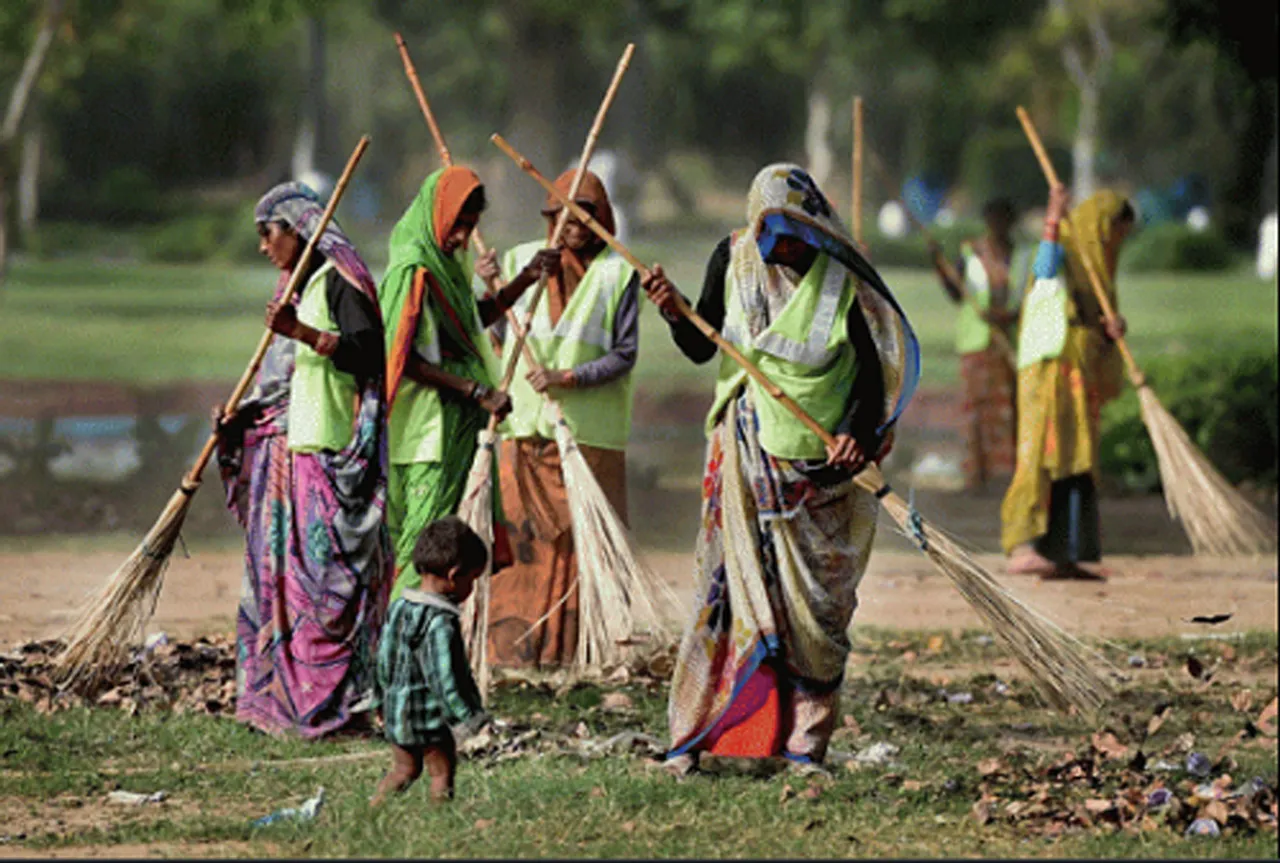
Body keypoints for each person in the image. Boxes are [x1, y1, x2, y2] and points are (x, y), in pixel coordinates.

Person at [642, 164, 921, 771]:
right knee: (721, 591)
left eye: (795, 234)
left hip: (820, 473)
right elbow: (701, 344)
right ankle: (694, 738)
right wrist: (673, 310)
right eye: (773, 233)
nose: (784, 248)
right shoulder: (734, 258)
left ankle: (805, 747)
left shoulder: (843, 278)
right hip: (743, 458)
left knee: (817, 607)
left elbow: (872, 375)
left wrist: (854, 435)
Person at [215, 181, 389, 739]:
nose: (264, 247)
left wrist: (307, 334)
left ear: (297, 229)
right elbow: (281, 387)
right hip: (287, 455)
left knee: (325, 590)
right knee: (281, 585)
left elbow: (370, 354)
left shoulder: (339, 283)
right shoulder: (293, 286)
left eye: (268, 234)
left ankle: (333, 707)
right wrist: (240, 416)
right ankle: (281, 702)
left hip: (329, 456)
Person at [479, 169, 640, 668]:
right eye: (564, 213)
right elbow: (494, 334)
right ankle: (516, 652)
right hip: (525, 430)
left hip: (589, 436)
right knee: (522, 543)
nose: (574, 224)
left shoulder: (620, 272)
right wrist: (494, 286)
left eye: (586, 214)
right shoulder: (516, 261)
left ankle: (579, 652)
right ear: (550, 215)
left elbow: (624, 354)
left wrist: (567, 377)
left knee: (581, 549)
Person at [379, 165, 557, 604]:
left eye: (471, 226)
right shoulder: (414, 271)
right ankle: (400, 641)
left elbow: (472, 323)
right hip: (427, 433)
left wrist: (525, 278)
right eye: (457, 225)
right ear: (435, 215)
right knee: (424, 546)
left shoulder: (449, 265)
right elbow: (406, 359)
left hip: (457, 428)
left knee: (445, 542)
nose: (463, 237)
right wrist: (475, 391)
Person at [1001, 185, 1135, 580]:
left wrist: (1110, 329)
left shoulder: (1097, 267)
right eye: (1113, 234)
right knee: (1040, 452)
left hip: (1079, 372)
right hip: (1048, 367)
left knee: (1076, 458)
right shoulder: (1063, 248)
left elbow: (1095, 315)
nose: (1115, 245)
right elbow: (1043, 275)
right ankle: (1023, 544)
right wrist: (1052, 217)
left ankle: (1066, 550)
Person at [371, 516, 491, 805]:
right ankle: (442, 815)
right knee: (441, 771)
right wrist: (468, 718)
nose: (471, 589)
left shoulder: (399, 605)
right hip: (428, 719)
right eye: (472, 580)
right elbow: (445, 679)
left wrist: (379, 700)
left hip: (397, 712)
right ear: (454, 575)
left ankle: (373, 808)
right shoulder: (441, 623)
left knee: (404, 769)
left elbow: (383, 658)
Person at [929, 198, 1031, 492]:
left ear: (1012, 222)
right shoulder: (969, 253)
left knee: (1010, 407)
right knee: (976, 409)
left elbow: (1030, 296)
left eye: (1004, 219)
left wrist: (1009, 316)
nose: (998, 226)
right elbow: (955, 293)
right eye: (993, 220)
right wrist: (938, 264)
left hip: (1011, 343)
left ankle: (1009, 474)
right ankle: (977, 474)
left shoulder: (1023, 256)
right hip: (976, 344)